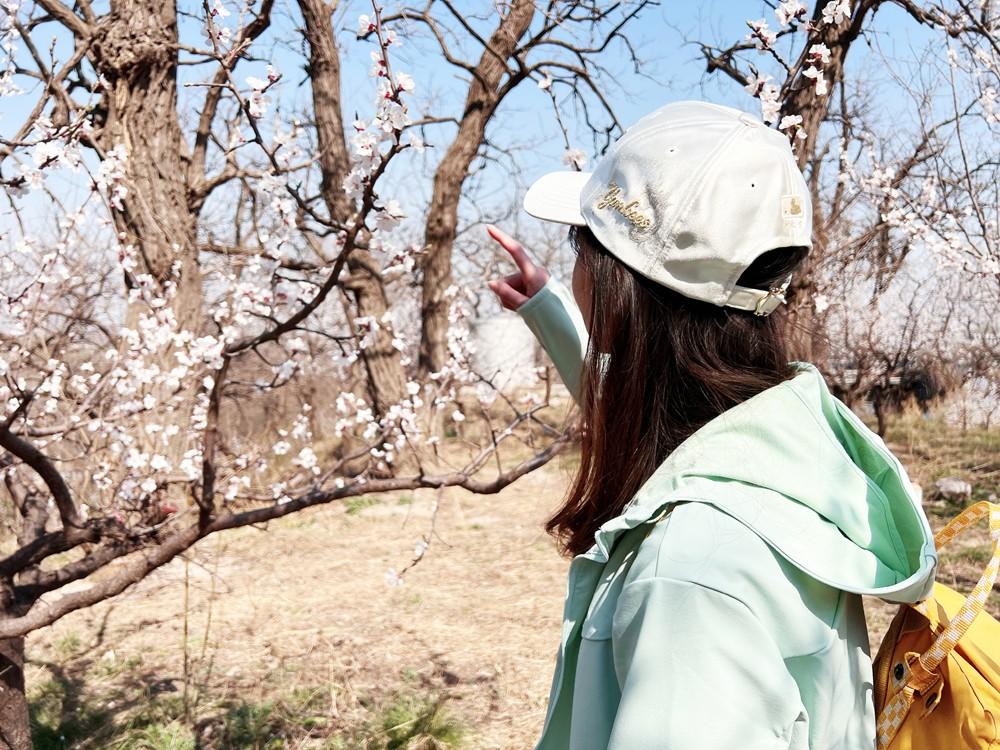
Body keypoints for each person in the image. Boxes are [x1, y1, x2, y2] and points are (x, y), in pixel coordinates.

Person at [485, 101, 937, 750]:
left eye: (581, 246)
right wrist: (551, 310)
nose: (577, 269)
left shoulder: (690, 576)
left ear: (620, 287)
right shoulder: (790, 447)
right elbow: (647, 412)